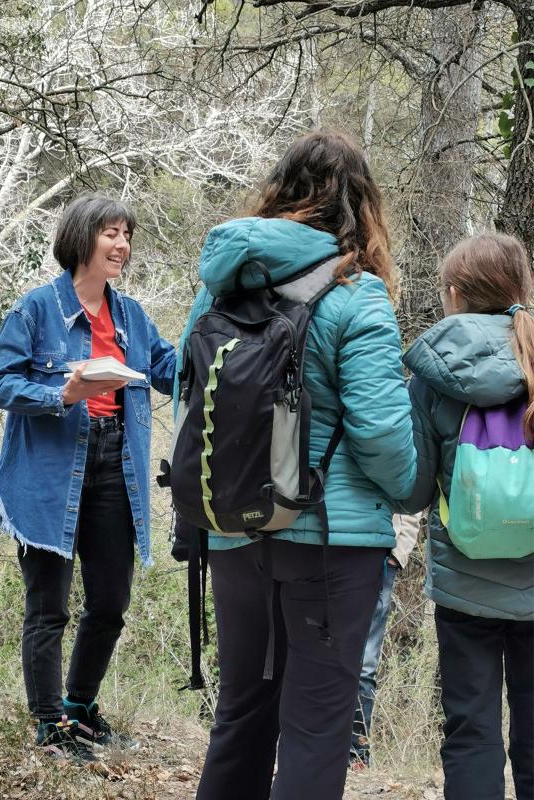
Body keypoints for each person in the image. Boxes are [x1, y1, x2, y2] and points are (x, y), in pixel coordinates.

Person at [178, 130, 417, 800]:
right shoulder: (357, 292)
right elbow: (381, 435)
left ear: (280, 193)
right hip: (330, 545)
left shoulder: (218, 291)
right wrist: (410, 488)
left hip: (232, 531)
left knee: (241, 720)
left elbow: (184, 400)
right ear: (361, 205)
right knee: (315, 732)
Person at [0, 193, 175, 761]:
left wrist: (215, 328)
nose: (122, 245)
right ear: (81, 238)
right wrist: (62, 395)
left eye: (126, 235)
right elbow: (0, 383)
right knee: (49, 607)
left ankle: (78, 707)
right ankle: (49, 724)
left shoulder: (133, 316)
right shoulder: (36, 309)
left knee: (111, 602)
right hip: (50, 469)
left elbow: (170, 371)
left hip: (117, 466)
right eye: (111, 233)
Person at [401, 233, 534, 800]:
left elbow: (410, 491)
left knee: (471, 730)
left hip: (464, 583)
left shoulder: (435, 373)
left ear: (453, 294)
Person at [350, 512, 421, 768]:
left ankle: (357, 757)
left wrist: (397, 556)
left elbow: (412, 507)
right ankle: (320, 750)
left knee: (365, 665)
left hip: (381, 559)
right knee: (322, 658)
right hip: (333, 551)